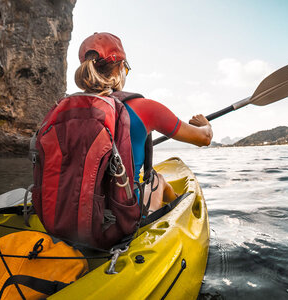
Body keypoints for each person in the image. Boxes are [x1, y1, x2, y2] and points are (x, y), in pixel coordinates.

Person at [75, 32, 213, 213]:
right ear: (119, 69)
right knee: (158, 180)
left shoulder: (65, 110)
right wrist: (205, 124)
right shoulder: (143, 108)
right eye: (125, 69)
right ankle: (179, 218)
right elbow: (204, 139)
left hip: (73, 213)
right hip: (122, 218)